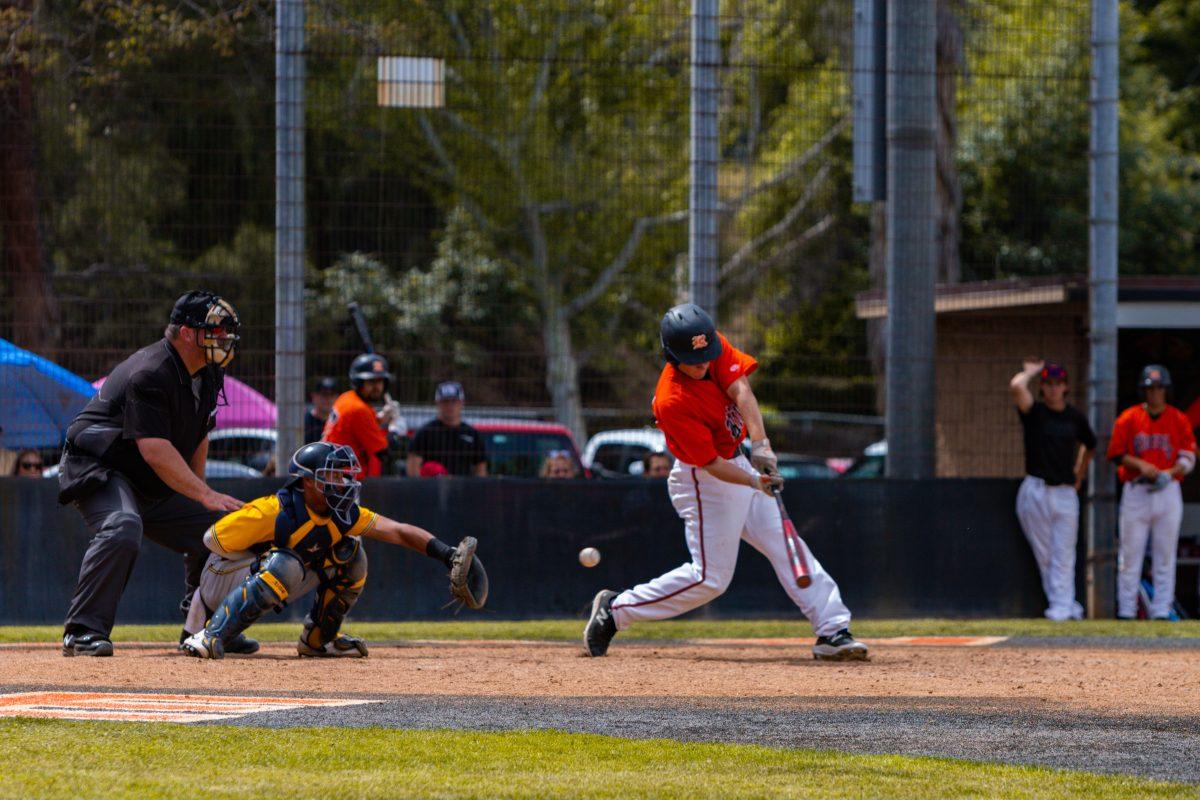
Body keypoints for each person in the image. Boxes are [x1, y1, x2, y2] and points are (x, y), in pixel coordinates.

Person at [583, 303, 867, 661]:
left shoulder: (708, 346)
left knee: (786, 545)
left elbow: (742, 391)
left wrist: (761, 445)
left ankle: (832, 631)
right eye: (693, 358)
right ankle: (616, 609)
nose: (703, 362)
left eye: (706, 354)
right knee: (710, 579)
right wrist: (754, 481)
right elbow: (712, 464)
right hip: (704, 482)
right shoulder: (673, 401)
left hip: (738, 462)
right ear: (671, 356)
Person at [57, 291, 246, 657]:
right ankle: (82, 632)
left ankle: (203, 625)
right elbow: (154, 449)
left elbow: (200, 434)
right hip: (100, 468)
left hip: (145, 475)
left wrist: (201, 496)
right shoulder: (151, 371)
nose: (223, 339)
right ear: (188, 333)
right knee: (122, 526)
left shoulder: (207, 373)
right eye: (216, 331)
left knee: (226, 527)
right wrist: (203, 494)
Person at [181, 442, 487, 659]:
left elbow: (396, 530)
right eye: (333, 475)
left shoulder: (342, 514)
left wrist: (446, 554)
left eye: (343, 475)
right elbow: (210, 542)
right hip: (216, 585)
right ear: (308, 481)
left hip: (259, 577)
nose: (342, 482)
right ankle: (210, 635)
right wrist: (198, 609)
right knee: (286, 562)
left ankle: (318, 640)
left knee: (351, 555)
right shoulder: (274, 511)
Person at [1009, 359, 1096, 621]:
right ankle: (1063, 604)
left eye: (1058, 383)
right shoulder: (1034, 412)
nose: (1054, 388)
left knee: (1065, 552)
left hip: (1066, 491)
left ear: (1066, 387)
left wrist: (1079, 475)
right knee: (1045, 552)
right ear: (1043, 387)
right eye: (1048, 383)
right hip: (1036, 490)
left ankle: (1063, 604)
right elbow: (1016, 387)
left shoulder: (1074, 417)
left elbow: (1090, 445)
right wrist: (1030, 372)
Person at [1107, 365, 1196, 620]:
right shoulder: (1129, 418)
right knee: (1130, 555)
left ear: (1166, 390)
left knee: (1165, 555)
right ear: (1143, 390)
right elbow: (1116, 454)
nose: (1155, 393)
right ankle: (1126, 611)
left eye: (1159, 388)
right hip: (1137, 490)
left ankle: (1161, 609)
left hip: (1168, 490)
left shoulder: (1178, 419)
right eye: (1150, 388)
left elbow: (1188, 457)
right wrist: (1142, 465)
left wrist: (1169, 471)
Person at [323, 354, 402, 477]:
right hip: (342, 480)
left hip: (335, 473)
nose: (377, 387)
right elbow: (384, 454)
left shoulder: (347, 398)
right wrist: (395, 429)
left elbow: (360, 427)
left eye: (380, 381)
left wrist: (382, 418)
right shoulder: (358, 409)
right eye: (371, 382)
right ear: (358, 382)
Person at [406, 381, 487, 477]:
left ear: (462, 403)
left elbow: (481, 468)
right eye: (445, 401)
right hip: (432, 489)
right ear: (437, 403)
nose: (450, 405)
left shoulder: (472, 434)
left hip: (463, 490)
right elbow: (413, 469)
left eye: (454, 401)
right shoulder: (425, 432)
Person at [304, 376, 338, 444]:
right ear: (313, 396)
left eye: (332, 395)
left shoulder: (338, 423)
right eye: (324, 394)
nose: (328, 399)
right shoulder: (303, 422)